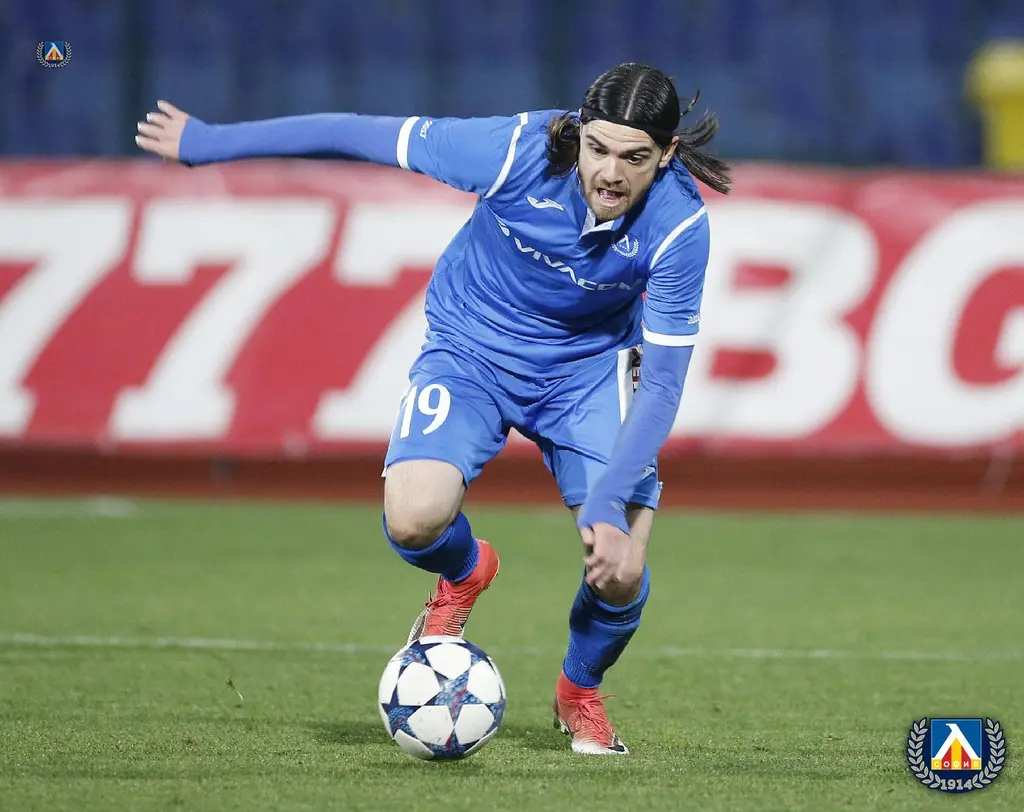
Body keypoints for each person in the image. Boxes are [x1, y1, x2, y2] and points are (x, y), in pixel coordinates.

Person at [135, 61, 731, 756]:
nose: (609, 173)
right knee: (413, 518)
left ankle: (579, 689)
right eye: (597, 148)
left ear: (668, 154)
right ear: (578, 131)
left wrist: (606, 501)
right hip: (472, 349)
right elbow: (356, 133)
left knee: (621, 567)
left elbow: (661, 388)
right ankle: (466, 571)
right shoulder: (510, 152)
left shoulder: (678, 226)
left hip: (587, 373)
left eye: (634, 158)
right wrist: (209, 143)